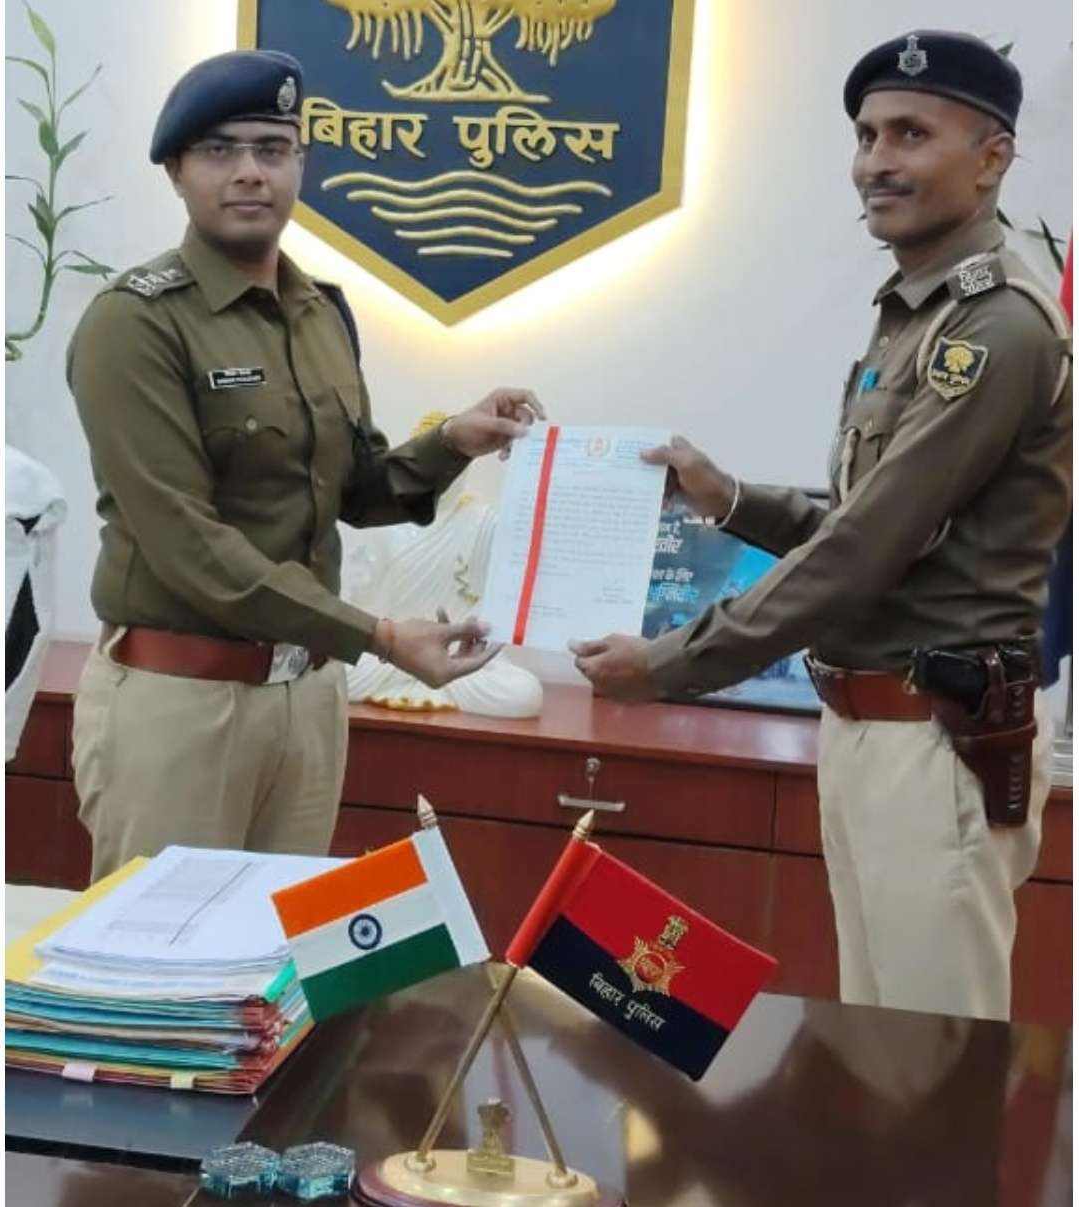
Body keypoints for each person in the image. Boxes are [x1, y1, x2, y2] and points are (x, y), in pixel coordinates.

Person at [571, 31, 1072, 1021]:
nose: (877, 161)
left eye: (911, 134)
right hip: (875, 729)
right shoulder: (916, 312)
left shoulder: (994, 327)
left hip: (937, 740)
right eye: (867, 135)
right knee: (874, 1049)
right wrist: (730, 498)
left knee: (932, 1062)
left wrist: (667, 663)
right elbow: (870, 521)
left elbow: (860, 552)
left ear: (992, 157)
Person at [68, 50, 543, 881]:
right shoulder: (135, 323)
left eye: (272, 148)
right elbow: (188, 544)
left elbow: (352, 488)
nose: (250, 172)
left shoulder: (322, 313)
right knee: (160, 954)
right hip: (183, 701)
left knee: (282, 950)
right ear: (176, 170)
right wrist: (380, 637)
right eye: (220, 150)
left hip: (308, 699)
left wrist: (452, 443)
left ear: (301, 164)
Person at [342, 410, 543, 719]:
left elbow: (498, 598)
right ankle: (420, 670)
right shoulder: (384, 524)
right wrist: (390, 643)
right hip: (394, 651)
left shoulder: (484, 523)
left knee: (524, 693)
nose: (445, 478)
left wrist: (527, 462)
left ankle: (432, 672)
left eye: (454, 466)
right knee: (334, 674)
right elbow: (363, 600)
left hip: (456, 656)